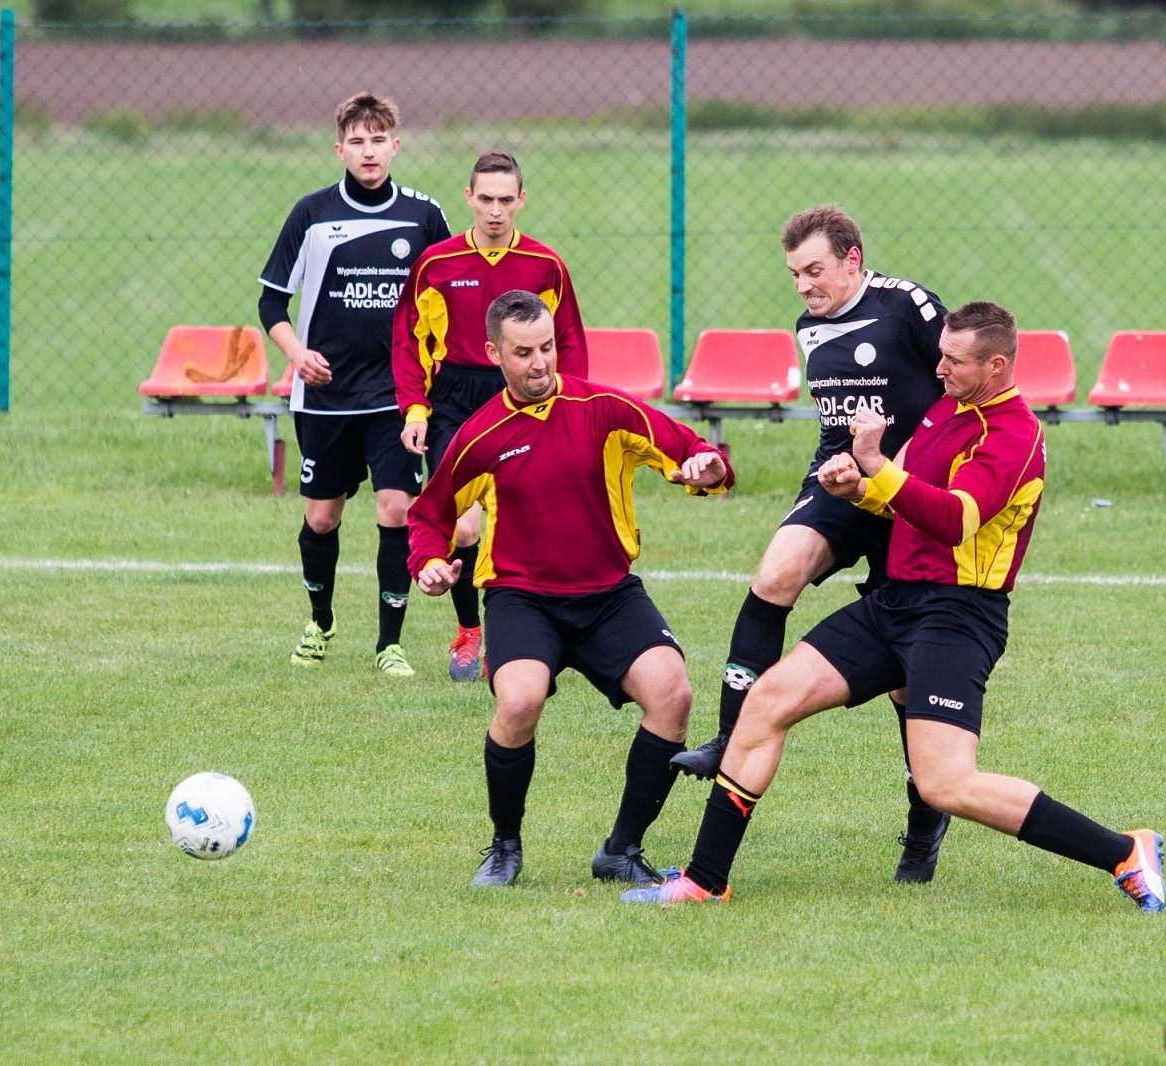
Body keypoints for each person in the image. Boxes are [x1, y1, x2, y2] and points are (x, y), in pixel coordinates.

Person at [624, 302, 1166, 913]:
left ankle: (1124, 849)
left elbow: (955, 519)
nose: (937, 368)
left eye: (953, 360)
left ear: (996, 365)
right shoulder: (945, 410)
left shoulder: (1013, 435)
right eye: (940, 354)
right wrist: (854, 485)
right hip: (893, 603)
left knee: (945, 782)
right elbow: (896, 500)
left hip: (958, 617)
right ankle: (704, 881)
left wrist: (876, 467)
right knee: (766, 703)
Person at [671, 203, 958, 883]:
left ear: (853, 259)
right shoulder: (809, 326)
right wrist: (841, 466)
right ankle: (731, 733)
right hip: (838, 477)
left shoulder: (907, 305)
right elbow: (835, 424)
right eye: (795, 273)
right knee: (775, 573)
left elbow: (955, 389)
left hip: (905, 490)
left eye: (815, 270)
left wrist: (898, 463)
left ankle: (924, 828)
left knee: (903, 684)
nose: (803, 285)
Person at [409, 290, 732, 888]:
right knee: (520, 700)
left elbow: (689, 449)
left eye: (548, 348)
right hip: (522, 598)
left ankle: (620, 850)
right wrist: (429, 562)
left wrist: (707, 466)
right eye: (524, 352)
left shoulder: (604, 409)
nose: (540, 363)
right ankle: (504, 847)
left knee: (673, 694)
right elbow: (429, 515)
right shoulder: (480, 436)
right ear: (493, 354)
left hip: (609, 593)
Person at [258, 91, 451, 677]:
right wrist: (297, 354)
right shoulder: (311, 215)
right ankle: (320, 621)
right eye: (357, 142)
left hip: (399, 397)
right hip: (325, 397)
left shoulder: (424, 216)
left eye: (378, 140)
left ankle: (389, 644)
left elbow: (448, 296)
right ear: (340, 148)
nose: (369, 152)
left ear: (396, 145)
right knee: (322, 518)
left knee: (396, 510)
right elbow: (272, 303)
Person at [392, 149, 590, 681]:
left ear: (521, 200)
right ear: (469, 199)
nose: (496, 210)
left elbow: (567, 341)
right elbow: (409, 342)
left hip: (529, 395)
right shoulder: (436, 264)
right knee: (463, 524)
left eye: (507, 200)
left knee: (531, 517)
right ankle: (470, 631)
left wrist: (569, 406)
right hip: (457, 397)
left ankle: (534, 631)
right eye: (486, 199)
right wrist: (415, 409)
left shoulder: (546, 265)